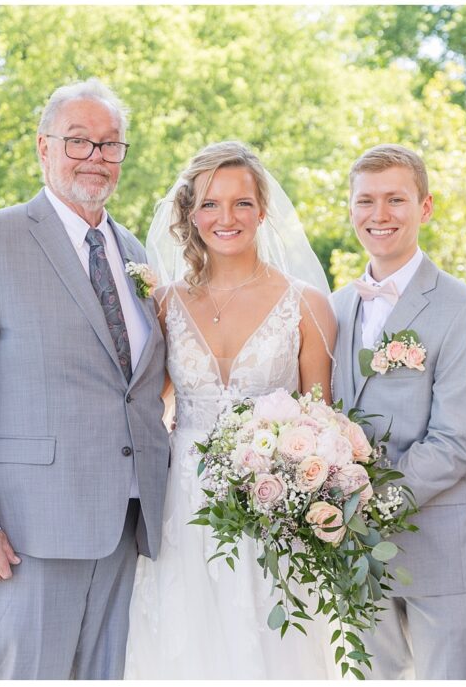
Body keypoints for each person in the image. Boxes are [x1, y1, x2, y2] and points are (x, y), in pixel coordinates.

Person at [0, 79, 170, 679]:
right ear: (43, 147)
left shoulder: (135, 251)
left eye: (110, 145)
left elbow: (138, 387)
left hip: (126, 524)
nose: (95, 158)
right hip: (24, 532)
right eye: (78, 141)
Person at [124, 141, 339, 679]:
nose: (227, 218)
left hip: (273, 506)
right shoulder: (166, 304)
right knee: (183, 643)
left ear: (262, 211)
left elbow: (321, 422)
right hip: (183, 503)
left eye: (241, 203)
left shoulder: (306, 303)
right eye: (210, 204)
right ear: (191, 215)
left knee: (269, 644)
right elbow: (146, 402)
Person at [329, 144, 466, 679]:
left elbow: (454, 443)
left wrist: (363, 505)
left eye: (395, 199)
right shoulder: (335, 307)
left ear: (425, 208)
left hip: (445, 558)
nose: (379, 215)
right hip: (358, 562)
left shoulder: (464, 309)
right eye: (366, 201)